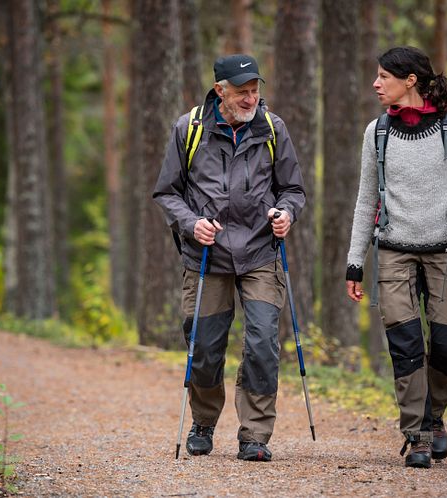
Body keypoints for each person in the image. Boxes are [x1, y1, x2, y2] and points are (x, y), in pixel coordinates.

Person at [153, 54, 305, 462]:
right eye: (242, 92)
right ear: (220, 91)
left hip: (259, 253)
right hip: (207, 256)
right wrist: (191, 224)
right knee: (203, 347)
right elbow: (167, 193)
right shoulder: (189, 129)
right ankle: (203, 420)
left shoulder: (274, 129)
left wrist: (286, 213)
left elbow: (293, 189)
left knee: (262, 343)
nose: (251, 98)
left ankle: (254, 434)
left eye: (255, 90)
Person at [345, 46, 447, 469]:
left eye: (384, 76)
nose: (375, 83)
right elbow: (366, 198)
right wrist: (355, 261)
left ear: (410, 80)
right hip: (393, 253)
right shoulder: (376, 133)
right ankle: (418, 434)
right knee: (404, 346)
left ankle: (434, 417)